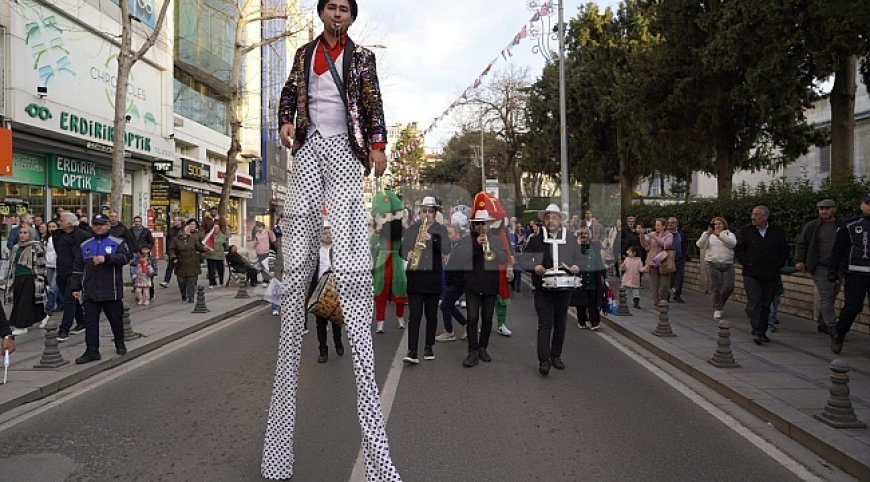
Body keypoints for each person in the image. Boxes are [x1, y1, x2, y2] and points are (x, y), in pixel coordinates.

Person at [264, 0, 400, 479]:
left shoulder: (362, 58)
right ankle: (275, 457)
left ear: (350, 16)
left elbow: (374, 103)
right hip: (309, 150)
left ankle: (352, 303)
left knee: (351, 262)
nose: (337, 13)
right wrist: (285, 121)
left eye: (345, 8)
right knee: (297, 259)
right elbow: (286, 96)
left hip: (345, 149)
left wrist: (379, 147)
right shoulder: (303, 55)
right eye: (331, 7)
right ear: (321, 12)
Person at [521, 204, 581, 376]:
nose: (550, 221)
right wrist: (535, 266)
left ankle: (556, 356)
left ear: (560, 220)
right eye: (547, 217)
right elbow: (524, 260)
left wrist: (577, 266)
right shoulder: (536, 239)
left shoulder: (570, 239)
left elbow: (580, 259)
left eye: (554, 217)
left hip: (564, 287)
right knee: (545, 324)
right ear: (544, 220)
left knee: (560, 323)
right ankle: (544, 361)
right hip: (543, 288)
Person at [70, 214, 132, 364]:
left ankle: (119, 343)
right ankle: (92, 351)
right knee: (90, 323)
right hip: (91, 292)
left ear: (108, 226)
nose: (99, 227)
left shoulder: (118, 242)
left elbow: (126, 258)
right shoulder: (85, 245)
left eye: (102, 224)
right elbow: (78, 267)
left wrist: (107, 259)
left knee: (115, 321)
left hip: (111, 291)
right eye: (96, 224)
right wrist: (75, 287)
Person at [450, 209, 507, 367]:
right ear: (474, 226)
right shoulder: (467, 241)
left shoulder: (495, 240)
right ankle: (472, 351)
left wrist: (493, 251)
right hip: (472, 285)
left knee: (487, 319)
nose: (481, 226)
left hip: (490, 285)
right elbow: (461, 257)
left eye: (484, 223)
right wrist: (476, 245)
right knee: (472, 319)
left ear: (488, 224)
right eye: (478, 224)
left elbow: (503, 257)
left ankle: (483, 348)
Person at [401, 196, 448, 363]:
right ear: (420, 212)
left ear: (434, 213)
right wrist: (408, 254)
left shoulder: (440, 230)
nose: (426, 214)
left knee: (431, 316)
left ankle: (429, 346)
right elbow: (402, 248)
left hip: (432, 278)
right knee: (414, 315)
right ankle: (412, 350)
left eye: (430, 211)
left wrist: (433, 238)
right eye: (424, 211)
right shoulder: (412, 229)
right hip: (415, 277)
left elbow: (447, 247)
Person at [734, 205, 789, 345]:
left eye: (756, 214)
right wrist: (748, 264)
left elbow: (784, 250)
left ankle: (762, 331)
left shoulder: (776, 231)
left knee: (766, 304)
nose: (753, 217)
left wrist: (777, 265)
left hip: (771, 273)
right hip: (751, 273)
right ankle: (757, 331)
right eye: (752, 214)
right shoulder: (746, 231)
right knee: (755, 301)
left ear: (765, 217)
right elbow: (739, 250)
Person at [827, 193, 870, 354]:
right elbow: (837, 249)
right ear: (861, 205)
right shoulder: (850, 225)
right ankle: (839, 333)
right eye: (867, 203)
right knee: (853, 307)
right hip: (856, 272)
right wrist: (833, 270)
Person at [794, 199, 842, 335]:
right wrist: (799, 260)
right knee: (827, 295)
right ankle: (833, 327)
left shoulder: (841, 226)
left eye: (827, 208)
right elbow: (802, 243)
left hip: (838, 267)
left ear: (834, 209)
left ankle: (823, 322)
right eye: (821, 209)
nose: (824, 211)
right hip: (819, 266)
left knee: (832, 295)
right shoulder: (812, 226)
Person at [371, 189, 408, 332]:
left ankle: (400, 319)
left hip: (397, 260)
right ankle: (380, 322)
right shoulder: (380, 229)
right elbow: (373, 242)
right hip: (383, 260)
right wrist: (378, 228)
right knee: (381, 289)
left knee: (400, 286)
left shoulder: (402, 229)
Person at [308, 224, 344, 361]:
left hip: (335, 289)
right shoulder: (314, 251)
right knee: (320, 323)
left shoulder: (339, 250)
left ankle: (338, 342)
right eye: (324, 233)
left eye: (329, 233)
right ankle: (323, 350)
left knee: (336, 319)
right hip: (319, 290)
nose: (327, 235)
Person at [53, 212, 90, 341]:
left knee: (68, 301)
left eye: (61, 220)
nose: (59, 222)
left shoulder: (82, 235)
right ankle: (82, 321)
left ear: (69, 223)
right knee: (72, 300)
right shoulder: (59, 234)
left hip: (74, 273)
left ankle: (64, 329)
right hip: (61, 271)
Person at [4, 228, 48, 335]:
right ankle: (42, 315)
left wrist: (40, 279)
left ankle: (22, 326)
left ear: (31, 234)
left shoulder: (36, 246)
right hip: (17, 276)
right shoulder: (16, 247)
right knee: (19, 300)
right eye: (21, 233)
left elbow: (41, 263)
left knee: (25, 301)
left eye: (25, 233)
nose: (22, 235)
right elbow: (12, 263)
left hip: (30, 277)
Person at [696, 217, 737, 319]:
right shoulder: (708, 235)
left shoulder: (729, 234)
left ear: (724, 225)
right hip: (712, 262)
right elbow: (700, 245)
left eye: (720, 223)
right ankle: (717, 309)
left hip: (727, 263)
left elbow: (732, 244)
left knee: (729, 287)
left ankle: (720, 303)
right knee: (716, 287)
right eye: (715, 224)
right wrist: (706, 234)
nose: (717, 226)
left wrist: (720, 236)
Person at [436, 225, 468, 342]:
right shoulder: (454, 246)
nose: (448, 236)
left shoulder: (461, 247)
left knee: (445, 305)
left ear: (457, 234)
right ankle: (465, 324)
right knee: (448, 305)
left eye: (450, 233)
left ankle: (449, 332)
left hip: (457, 281)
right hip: (453, 280)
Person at [571, 227, 606, 331]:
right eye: (581, 233)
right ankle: (581, 320)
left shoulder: (594, 246)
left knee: (594, 301)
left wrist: (605, 276)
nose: (584, 235)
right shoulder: (575, 247)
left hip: (593, 278)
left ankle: (594, 321)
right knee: (581, 301)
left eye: (586, 233)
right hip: (580, 278)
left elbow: (599, 261)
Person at [169, 223, 208, 302]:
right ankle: (183, 294)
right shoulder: (175, 240)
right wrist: (173, 257)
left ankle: (191, 297)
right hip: (181, 263)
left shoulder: (192, 239)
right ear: (182, 231)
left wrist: (204, 248)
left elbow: (198, 247)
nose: (188, 230)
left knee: (192, 281)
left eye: (189, 229)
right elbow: (171, 250)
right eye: (186, 229)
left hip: (192, 263)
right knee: (181, 282)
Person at [640, 218, 673, 306]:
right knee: (655, 284)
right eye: (655, 225)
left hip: (664, 262)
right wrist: (642, 235)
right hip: (653, 262)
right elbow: (644, 244)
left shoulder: (668, 235)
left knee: (665, 285)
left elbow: (666, 244)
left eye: (658, 225)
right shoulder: (652, 234)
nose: (656, 227)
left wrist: (655, 237)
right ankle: (657, 303)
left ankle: (663, 300)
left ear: (663, 226)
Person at [667, 217, 689, 303]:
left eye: (673, 223)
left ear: (676, 224)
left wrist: (684, 255)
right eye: (669, 223)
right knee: (670, 278)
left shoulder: (681, 233)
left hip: (679, 257)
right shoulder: (666, 233)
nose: (670, 224)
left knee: (680, 277)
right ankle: (667, 295)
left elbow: (685, 243)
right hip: (669, 257)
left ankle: (677, 295)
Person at [160, 216, 184, 288]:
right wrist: (167, 252)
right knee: (170, 266)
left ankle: (183, 281)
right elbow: (168, 241)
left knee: (182, 267)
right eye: (174, 220)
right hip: (172, 251)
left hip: (181, 251)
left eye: (176, 220)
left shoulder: (184, 229)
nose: (174, 222)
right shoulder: (171, 230)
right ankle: (166, 281)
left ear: (180, 221)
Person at [43, 220, 60, 317]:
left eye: (53, 226)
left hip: (57, 264)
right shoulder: (46, 238)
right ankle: (61, 303)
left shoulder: (59, 237)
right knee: (52, 286)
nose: (51, 229)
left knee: (53, 287)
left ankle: (49, 307)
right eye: (49, 227)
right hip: (49, 264)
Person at [203, 224, 229, 288]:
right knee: (211, 270)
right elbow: (204, 243)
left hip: (219, 256)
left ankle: (221, 281)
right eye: (214, 228)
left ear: (219, 228)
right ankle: (212, 283)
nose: (216, 229)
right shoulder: (208, 235)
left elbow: (226, 246)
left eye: (217, 228)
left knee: (221, 270)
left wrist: (226, 249)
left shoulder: (223, 236)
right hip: (210, 255)